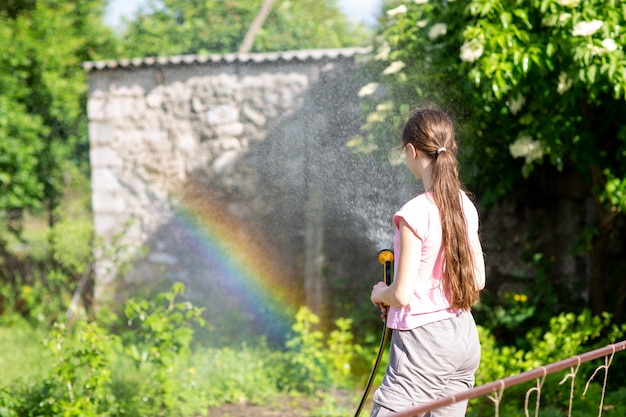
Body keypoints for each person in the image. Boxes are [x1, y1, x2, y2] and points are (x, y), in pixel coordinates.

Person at [369, 107, 486, 417]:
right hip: (463, 337)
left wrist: (380, 292)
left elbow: (402, 295)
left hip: (424, 347)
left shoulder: (414, 213)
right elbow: (478, 281)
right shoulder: (464, 204)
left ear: (411, 150)